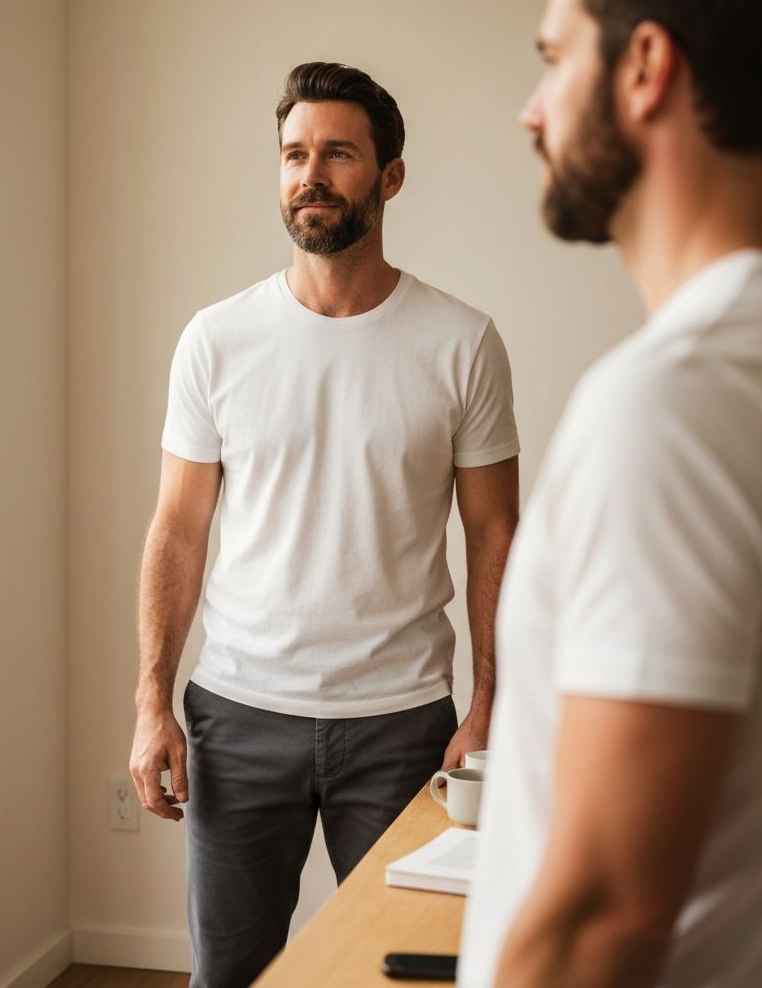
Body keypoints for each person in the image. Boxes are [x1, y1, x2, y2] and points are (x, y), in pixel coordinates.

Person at [129, 62, 520, 988]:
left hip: (400, 724)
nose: (311, 174)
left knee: (405, 972)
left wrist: (491, 702)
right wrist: (151, 700)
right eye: (294, 153)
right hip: (237, 714)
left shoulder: (462, 343)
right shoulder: (216, 340)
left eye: (338, 154)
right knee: (229, 973)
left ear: (389, 177)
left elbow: (496, 535)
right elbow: (178, 533)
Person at [461, 0, 762, 986]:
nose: (531, 111)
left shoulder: (676, 404)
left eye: (554, 60)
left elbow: (604, 915)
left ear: (644, 67)